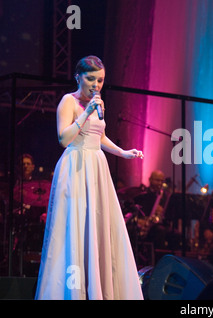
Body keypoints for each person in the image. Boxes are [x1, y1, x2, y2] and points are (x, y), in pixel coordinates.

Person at [35, 56, 144, 300]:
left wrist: (123, 152)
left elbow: (99, 137)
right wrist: (85, 114)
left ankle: (97, 287)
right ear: (78, 77)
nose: (96, 84)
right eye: (91, 78)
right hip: (75, 165)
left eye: (101, 80)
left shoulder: (98, 103)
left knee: (97, 226)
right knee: (73, 226)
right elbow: (64, 139)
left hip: (96, 166)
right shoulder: (68, 101)